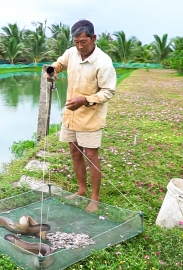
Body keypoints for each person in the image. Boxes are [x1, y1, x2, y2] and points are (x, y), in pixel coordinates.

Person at [48, 19, 117, 212]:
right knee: (74, 151)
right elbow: (59, 64)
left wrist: (85, 100)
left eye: (83, 42)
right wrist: (52, 71)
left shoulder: (103, 63)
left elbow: (108, 92)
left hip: (90, 116)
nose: (79, 46)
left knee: (91, 155)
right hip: (71, 114)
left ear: (93, 38)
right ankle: (81, 189)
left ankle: (95, 197)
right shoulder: (72, 53)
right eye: (76, 42)